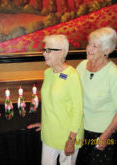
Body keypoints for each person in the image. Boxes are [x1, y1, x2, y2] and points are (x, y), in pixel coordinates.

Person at [76, 27, 117, 165]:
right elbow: (68, 81)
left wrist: (106, 135)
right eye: (89, 44)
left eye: (95, 46)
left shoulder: (114, 75)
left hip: (102, 133)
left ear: (107, 51)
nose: (89, 48)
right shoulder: (82, 66)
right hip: (82, 129)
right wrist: (58, 73)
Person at [27, 35, 84, 165]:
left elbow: (78, 110)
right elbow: (52, 105)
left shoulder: (72, 76)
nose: (44, 54)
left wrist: (71, 139)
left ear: (62, 52)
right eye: (44, 49)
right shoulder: (48, 73)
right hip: (49, 134)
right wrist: (45, 124)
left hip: (68, 136)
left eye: (49, 50)